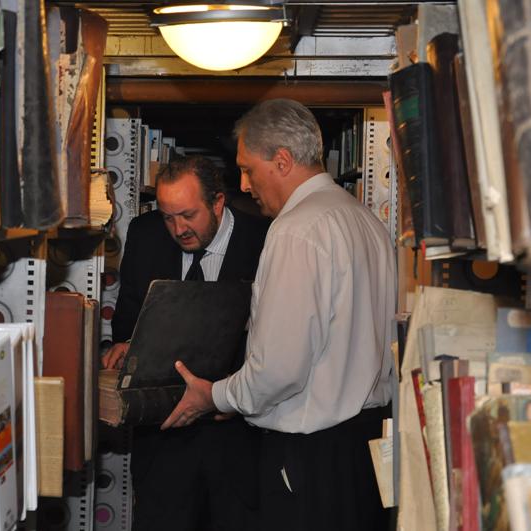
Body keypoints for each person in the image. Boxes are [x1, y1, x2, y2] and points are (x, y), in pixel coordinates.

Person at [162, 99, 396, 531]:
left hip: (312, 459)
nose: (244, 185)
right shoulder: (365, 220)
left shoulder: (296, 230)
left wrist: (214, 396)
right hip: (365, 449)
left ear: (283, 161)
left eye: (248, 169)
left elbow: (278, 369)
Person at [101, 154, 270, 531]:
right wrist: (129, 345)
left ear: (218, 202)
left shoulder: (265, 239)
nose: (178, 229)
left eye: (188, 215)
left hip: (235, 442)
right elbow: (127, 316)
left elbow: (275, 343)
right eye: (168, 217)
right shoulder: (145, 234)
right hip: (163, 442)